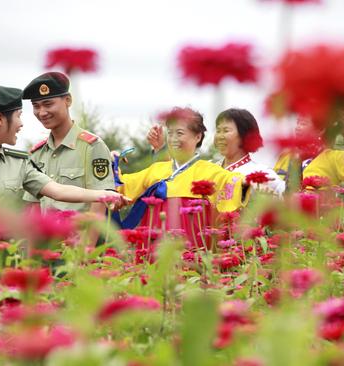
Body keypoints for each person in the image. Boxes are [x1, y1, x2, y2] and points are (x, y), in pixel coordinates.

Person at [116, 107, 247, 247]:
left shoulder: (209, 171)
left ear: (198, 137)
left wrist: (254, 182)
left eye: (179, 133)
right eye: (170, 133)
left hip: (191, 247)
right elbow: (122, 185)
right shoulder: (157, 170)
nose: (173, 139)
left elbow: (234, 183)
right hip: (154, 245)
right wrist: (110, 162)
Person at [22, 72, 116, 215]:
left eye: (48, 104)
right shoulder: (36, 153)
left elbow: (99, 205)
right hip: (45, 236)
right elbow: (34, 206)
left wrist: (86, 239)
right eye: (36, 106)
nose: (41, 113)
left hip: (77, 234)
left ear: (68, 100)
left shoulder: (92, 146)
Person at [147, 108, 285, 195]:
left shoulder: (262, 174)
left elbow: (286, 201)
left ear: (245, 136)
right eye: (218, 131)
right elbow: (174, 180)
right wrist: (161, 149)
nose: (219, 136)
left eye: (226, 131)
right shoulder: (207, 168)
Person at [273, 113, 344, 189]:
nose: (297, 128)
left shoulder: (331, 157)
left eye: (303, 123)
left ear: (320, 130)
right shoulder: (287, 156)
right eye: (297, 123)